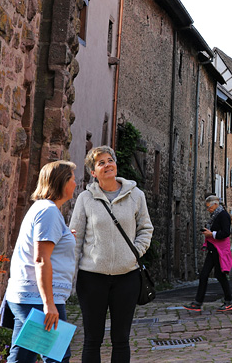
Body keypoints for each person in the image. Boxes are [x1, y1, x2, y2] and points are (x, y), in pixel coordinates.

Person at [70, 146, 153, 363]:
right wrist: (70, 275)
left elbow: (146, 229)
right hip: (92, 278)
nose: (107, 165)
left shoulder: (136, 195)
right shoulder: (85, 199)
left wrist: (135, 252)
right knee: (92, 339)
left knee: (121, 339)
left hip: (127, 277)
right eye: (101, 163)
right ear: (93, 172)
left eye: (110, 160)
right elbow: (76, 238)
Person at [4, 160, 77, 363]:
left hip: (29, 296)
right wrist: (49, 304)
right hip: (38, 297)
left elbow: (46, 249)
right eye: (72, 179)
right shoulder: (49, 212)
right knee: (58, 356)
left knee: (22, 357)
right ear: (61, 182)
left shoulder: (45, 209)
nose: (75, 184)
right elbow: (41, 259)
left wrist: (65, 236)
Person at [184, 195, 232, 311]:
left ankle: (228, 302)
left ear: (215, 204)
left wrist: (212, 234)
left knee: (219, 276)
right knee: (204, 275)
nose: (208, 210)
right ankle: (198, 302)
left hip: (218, 250)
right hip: (213, 249)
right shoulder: (215, 215)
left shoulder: (223, 215)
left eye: (209, 207)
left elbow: (226, 233)